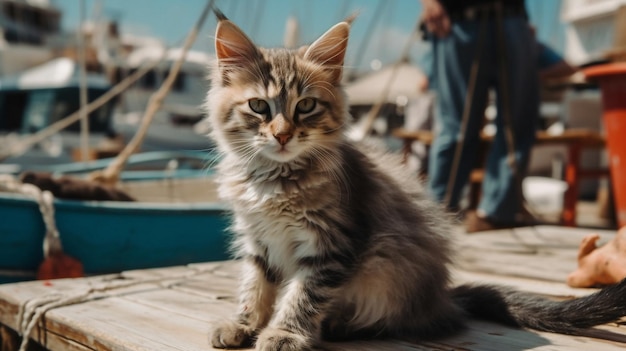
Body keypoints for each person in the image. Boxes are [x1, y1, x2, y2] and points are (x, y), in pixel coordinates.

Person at [420, 0, 540, 232]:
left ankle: (497, 213)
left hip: (512, 18)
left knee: (518, 124)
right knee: (456, 127)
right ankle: (432, 218)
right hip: (455, 21)